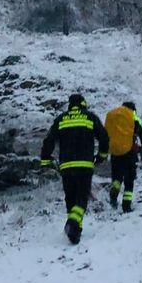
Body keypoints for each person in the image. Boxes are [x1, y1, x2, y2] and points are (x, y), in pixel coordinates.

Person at [40, 93, 109, 244]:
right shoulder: (90, 117)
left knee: (70, 198)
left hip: (66, 167)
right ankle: (73, 223)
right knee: (82, 197)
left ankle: (75, 232)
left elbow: (49, 140)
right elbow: (104, 136)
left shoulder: (61, 119)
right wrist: (102, 155)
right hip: (84, 165)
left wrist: (45, 159)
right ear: (84, 104)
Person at [104, 101, 142, 213]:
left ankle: (113, 198)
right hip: (129, 153)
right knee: (129, 180)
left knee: (117, 178)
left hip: (115, 153)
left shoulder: (114, 119)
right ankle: (126, 206)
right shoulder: (132, 120)